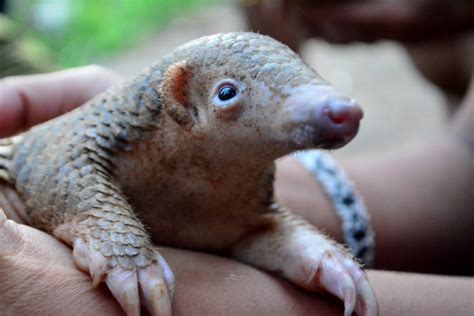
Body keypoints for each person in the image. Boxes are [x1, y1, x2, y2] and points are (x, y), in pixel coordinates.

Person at [0, 62, 473, 315]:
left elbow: (247, 220)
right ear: (182, 97)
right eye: (227, 94)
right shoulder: (85, 148)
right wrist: (120, 246)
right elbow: (52, 166)